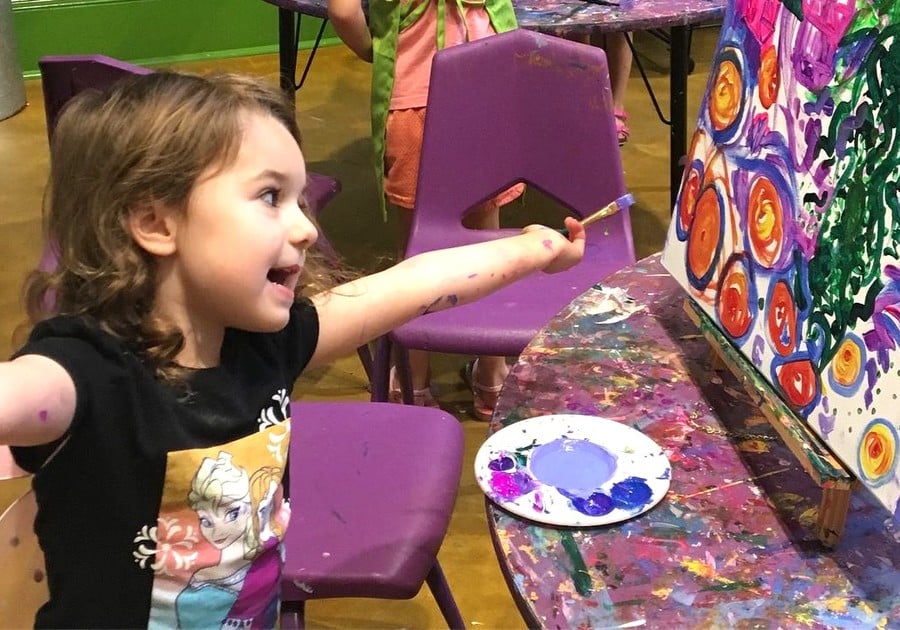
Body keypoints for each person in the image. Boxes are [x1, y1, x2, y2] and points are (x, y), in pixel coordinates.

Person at [0, 71, 585, 627]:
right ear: (156, 222)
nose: (305, 227)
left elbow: (412, 285)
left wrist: (531, 250)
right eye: (271, 196)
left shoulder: (266, 345)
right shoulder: (83, 376)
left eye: (300, 200)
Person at [328, 0, 522, 419]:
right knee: (489, 244)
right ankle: (493, 378)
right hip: (487, 91)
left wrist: (376, 47)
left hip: (414, 96)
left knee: (418, 246)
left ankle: (413, 382)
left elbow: (343, 12)